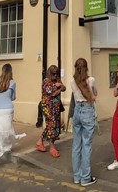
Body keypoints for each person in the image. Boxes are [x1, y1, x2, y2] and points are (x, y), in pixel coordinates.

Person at [0, 63, 26, 173]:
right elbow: (13, 97)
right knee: (7, 129)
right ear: (11, 72)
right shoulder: (13, 83)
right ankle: (6, 146)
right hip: (8, 109)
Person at [70, 58, 98, 186]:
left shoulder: (72, 82)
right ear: (86, 68)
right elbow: (94, 95)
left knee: (76, 145)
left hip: (77, 111)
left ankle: (77, 176)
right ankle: (85, 178)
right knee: (86, 145)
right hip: (87, 110)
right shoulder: (90, 80)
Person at [36, 65, 66, 158]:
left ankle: (40, 141)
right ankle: (52, 147)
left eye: (56, 74)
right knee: (51, 126)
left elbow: (64, 88)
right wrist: (57, 87)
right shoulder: (46, 81)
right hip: (48, 107)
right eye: (53, 74)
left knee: (52, 125)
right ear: (50, 73)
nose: (55, 75)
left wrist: (59, 87)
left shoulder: (57, 80)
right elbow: (51, 93)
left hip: (55, 107)